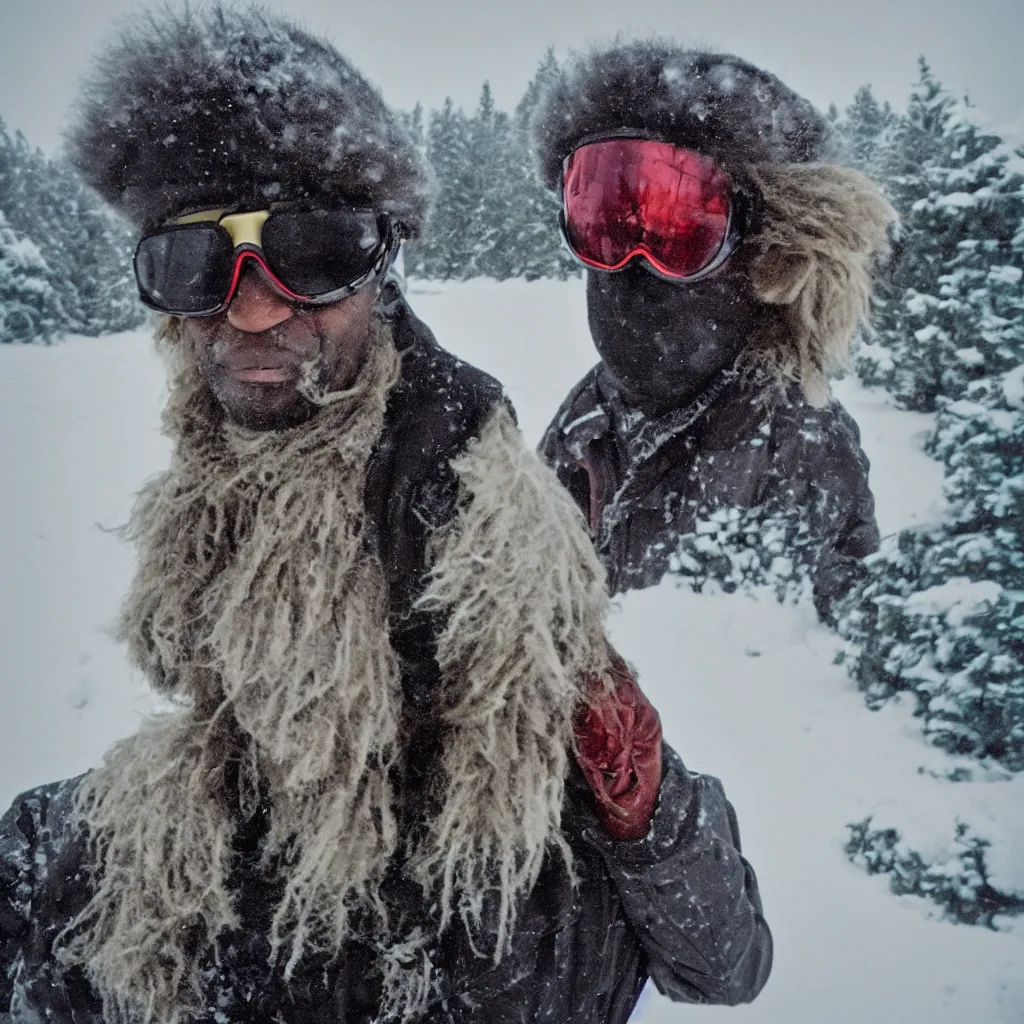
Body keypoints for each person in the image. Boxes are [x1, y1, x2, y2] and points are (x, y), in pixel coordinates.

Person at [0, 10, 770, 1023]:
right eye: (198, 264)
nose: (256, 310)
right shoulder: (211, 507)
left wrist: (647, 807)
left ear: (380, 268)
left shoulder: (474, 537)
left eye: (312, 254)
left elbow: (725, 961)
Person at [532, 41, 896, 620]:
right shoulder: (587, 417)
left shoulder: (795, 445)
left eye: (678, 228)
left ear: (765, 252)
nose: (634, 260)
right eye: (603, 221)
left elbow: (806, 684)